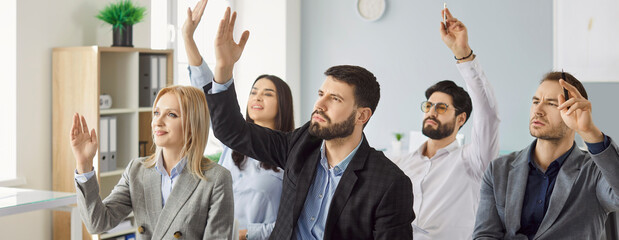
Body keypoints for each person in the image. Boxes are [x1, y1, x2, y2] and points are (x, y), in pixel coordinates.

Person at [198, 6, 414, 240]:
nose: (319, 104)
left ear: (362, 116)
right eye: (321, 93)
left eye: (335, 99)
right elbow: (231, 131)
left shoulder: (390, 183)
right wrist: (224, 68)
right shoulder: (300, 145)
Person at [182, 2, 294, 239]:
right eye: (254, 91)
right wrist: (188, 37)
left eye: (267, 93)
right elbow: (208, 94)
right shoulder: (231, 141)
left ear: (282, 104)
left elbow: (292, 222)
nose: (257, 97)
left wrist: (244, 234)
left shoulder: (291, 154)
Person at [390, 8, 500, 240]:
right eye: (428, 106)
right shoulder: (399, 164)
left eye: (441, 108)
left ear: (461, 118)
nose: (431, 112)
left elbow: (487, 113)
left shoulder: (473, 161)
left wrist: (463, 55)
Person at [70, 86, 234, 239]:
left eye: (171, 114)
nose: (158, 121)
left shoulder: (216, 178)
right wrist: (84, 164)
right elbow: (97, 223)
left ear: (192, 125)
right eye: (156, 113)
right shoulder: (137, 170)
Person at [473, 72, 619, 239]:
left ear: (575, 110)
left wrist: (589, 132)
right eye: (535, 101)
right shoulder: (498, 170)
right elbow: (484, 235)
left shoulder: (595, 172)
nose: (538, 110)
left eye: (551, 104)